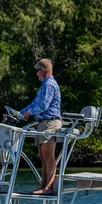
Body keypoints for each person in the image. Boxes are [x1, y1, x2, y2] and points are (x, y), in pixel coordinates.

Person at [21, 59, 61, 195]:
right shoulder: (44, 86)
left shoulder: (49, 84)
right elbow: (34, 104)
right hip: (42, 123)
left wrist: (28, 113)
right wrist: (19, 114)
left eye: (37, 71)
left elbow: (43, 105)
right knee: (43, 155)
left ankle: (49, 187)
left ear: (43, 70)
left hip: (50, 122)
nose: (36, 74)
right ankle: (43, 185)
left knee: (48, 155)